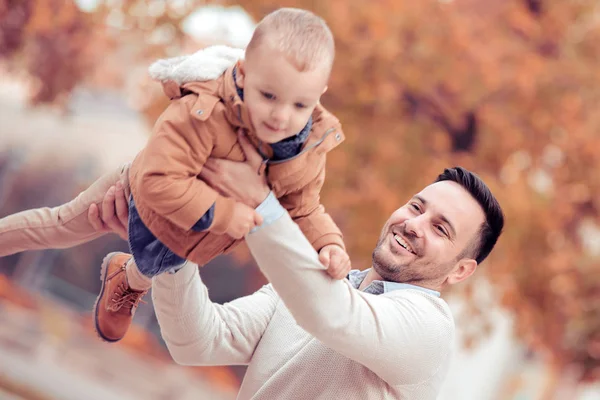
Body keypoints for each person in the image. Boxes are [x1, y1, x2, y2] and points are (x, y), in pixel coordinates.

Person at [0, 8, 352, 343]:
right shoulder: (202, 110)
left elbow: (303, 207)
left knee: (160, 262)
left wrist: (329, 244)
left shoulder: (306, 148)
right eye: (269, 96)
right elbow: (157, 180)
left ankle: (127, 278)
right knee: (60, 225)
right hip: (137, 198)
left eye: (299, 105)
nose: (281, 116)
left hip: (190, 237)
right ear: (243, 73)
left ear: (318, 96)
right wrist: (226, 213)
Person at [89, 137, 505, 399]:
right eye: (416, 206)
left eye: (440, 229)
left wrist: (257, 200)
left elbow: (333, 317)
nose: (413, 225)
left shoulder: (428, 329)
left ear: (460, 271)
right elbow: (198, 341)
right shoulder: (320, 284)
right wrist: (170, 243)